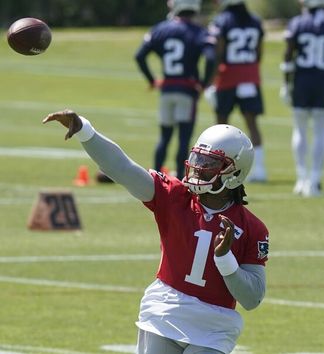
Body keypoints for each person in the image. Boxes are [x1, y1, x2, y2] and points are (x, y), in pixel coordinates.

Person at [43, 110, 269, 354]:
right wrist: (85, 130)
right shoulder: (174, 196)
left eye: (210, 164)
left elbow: (251, 299)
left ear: (234, 173)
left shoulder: (251, 228)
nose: (198, 168)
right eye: (198, 159)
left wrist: (225, 259)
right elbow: (122, 168)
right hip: (165, 309)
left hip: (215, 326)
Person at [135, 0, 216, 180]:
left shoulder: (161, 29)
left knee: (164, 137)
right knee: (183, 140)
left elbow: (139, 55)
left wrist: (152, 80)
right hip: (187, 90)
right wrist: (203, 83)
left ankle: (155, 178)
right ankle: (180, 179)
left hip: (167, 89)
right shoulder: (198, 31)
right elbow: (211, 58)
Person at [281, 0, 324, 197]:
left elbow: (288, 55)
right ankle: (314, 180)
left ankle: (301, 178)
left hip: (302, 81)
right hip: (323, 83)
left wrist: (286, 83)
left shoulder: (298, 23)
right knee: (320, 133)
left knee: (299, 129)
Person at [205, 0, 267, 183]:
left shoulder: (222, 20)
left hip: (228, 77)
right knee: (252, 123)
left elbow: (218, 52)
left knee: (221, 126)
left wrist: (210, 81)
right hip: (249, 75)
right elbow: (259, 52)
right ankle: (260, 169)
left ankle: (219, 169)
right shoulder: (254, 21)